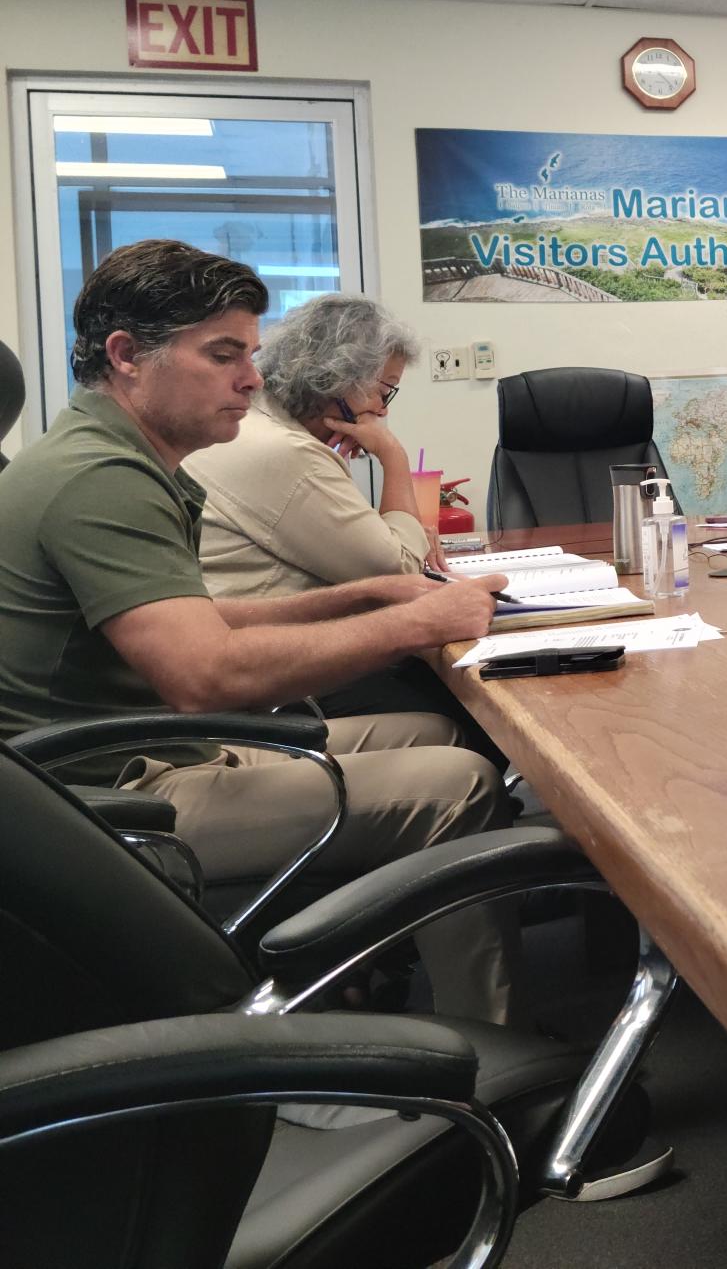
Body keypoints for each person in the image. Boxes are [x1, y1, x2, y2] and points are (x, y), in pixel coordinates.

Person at [0, 240, 517, 1021]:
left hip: (135, 748)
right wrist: (413, 621)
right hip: (108, 793)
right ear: (126, 356)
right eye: (222, 355)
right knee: (460, 783)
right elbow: (204, 674)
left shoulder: (115, 454)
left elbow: (192, 619)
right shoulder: (99, 479)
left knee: (426, 730)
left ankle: (378, 979)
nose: (251, 378)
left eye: (251, 353)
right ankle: (485, 1047)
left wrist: (366, 595)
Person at [183, 292, 504, 754]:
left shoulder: (259, 428)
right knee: (471, 707)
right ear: (339, 380)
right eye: (383, 390)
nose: (384, 409)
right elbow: (399, 568)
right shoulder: (286, 452)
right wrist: (392, 455)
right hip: (284, 681)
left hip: (264, 656)